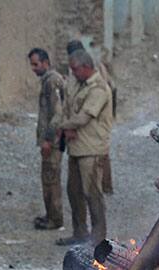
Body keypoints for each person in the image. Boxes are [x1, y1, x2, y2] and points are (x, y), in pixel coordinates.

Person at [57, 48, 113, 247]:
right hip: (76, 148)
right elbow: (67, 108)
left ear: (87, 67)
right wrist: (68, 127)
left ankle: (99, 239)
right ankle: (80, 232)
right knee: (74, 192)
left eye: (76, 69)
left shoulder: (98, 89)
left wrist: (63, 127)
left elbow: (84, 117)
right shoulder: (77, 83)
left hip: (91, 149)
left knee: (93, 195)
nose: (73, 73)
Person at [28, 48, 67, 231]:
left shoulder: (52, 81)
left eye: (36, 64)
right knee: (48, 178)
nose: (34, 68)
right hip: (49, 140)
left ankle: (55, 218)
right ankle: (50, 214)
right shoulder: (48, 81)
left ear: (45, 62)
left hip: (53, 142)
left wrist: (48, 140)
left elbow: (58, 114)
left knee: (51, 179)